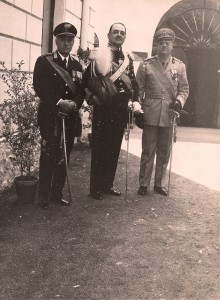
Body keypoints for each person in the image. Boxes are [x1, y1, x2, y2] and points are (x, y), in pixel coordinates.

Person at [83, 22, 142, 200]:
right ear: (108, 35)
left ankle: (107, 184)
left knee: (114, 148)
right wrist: (92, 98)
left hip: (120, 110)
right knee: (100, 148)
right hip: (104, 108)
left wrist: (135, 100)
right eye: (115, 32)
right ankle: (95, 188)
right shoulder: (99, 54)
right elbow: (87, 80)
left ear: (125, 37)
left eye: (122, 33)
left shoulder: (128, 58)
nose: (118, 35)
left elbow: (133, 83)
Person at [33, 22, 84, 209]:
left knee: (64, 154)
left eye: (70, 39)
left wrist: (74, 104)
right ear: (56, 40)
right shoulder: (44, 61)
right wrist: (58, 102)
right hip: (50, 115)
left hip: (69, 116)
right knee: (48, 155)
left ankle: (57, 193)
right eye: (62, 39)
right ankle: (44, 196)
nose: (66, 43)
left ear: (73, 41)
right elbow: (39, 87)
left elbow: (81, 90)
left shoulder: (78, 64)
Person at [136, 28, 189, 196]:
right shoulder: (146, 65)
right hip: (151, 113)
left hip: (169, 114)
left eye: (167, 42)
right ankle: (143, 184)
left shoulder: (179, 66)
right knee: (148, 150)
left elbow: (184, 89)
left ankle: (159, 184)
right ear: (156, 45)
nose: (164, 45)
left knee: (164, 151)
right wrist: (138, 109)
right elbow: (138, 90)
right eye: (161, 42)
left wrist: (179, 102)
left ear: (172, 45)